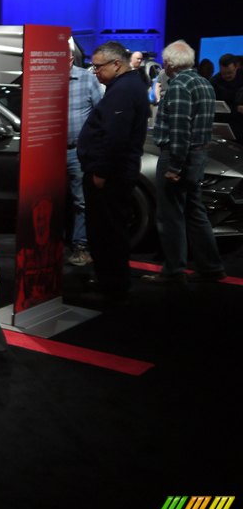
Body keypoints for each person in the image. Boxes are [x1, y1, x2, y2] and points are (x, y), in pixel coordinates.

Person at [70, 42, 150, 308]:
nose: (94, 72)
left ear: (116, 64)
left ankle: (112, 287)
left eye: (98, 67)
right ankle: (109, 280)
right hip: (113, 172)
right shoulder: (128, 86)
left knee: (107, 232)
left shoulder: (124, 91)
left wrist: (100, 171)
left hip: (110, 176)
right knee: (108, 231)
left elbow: (115, 137)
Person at [141, 40, 224, 286]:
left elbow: (179, 129)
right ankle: (212, 267)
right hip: (198, 155)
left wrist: (175, 167)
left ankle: (174, 270)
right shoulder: (205, 83)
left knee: (171, 215)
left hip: (178, 157)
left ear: (168, 64)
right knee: (195, 212)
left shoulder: (179, 85)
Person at [66, 41, 104, 267]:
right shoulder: (45, 79)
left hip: (76, 152)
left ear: (70, 60)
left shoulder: (87, 79)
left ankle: (81, 246)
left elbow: (101, 113)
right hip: (46, 153)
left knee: (81, 201)